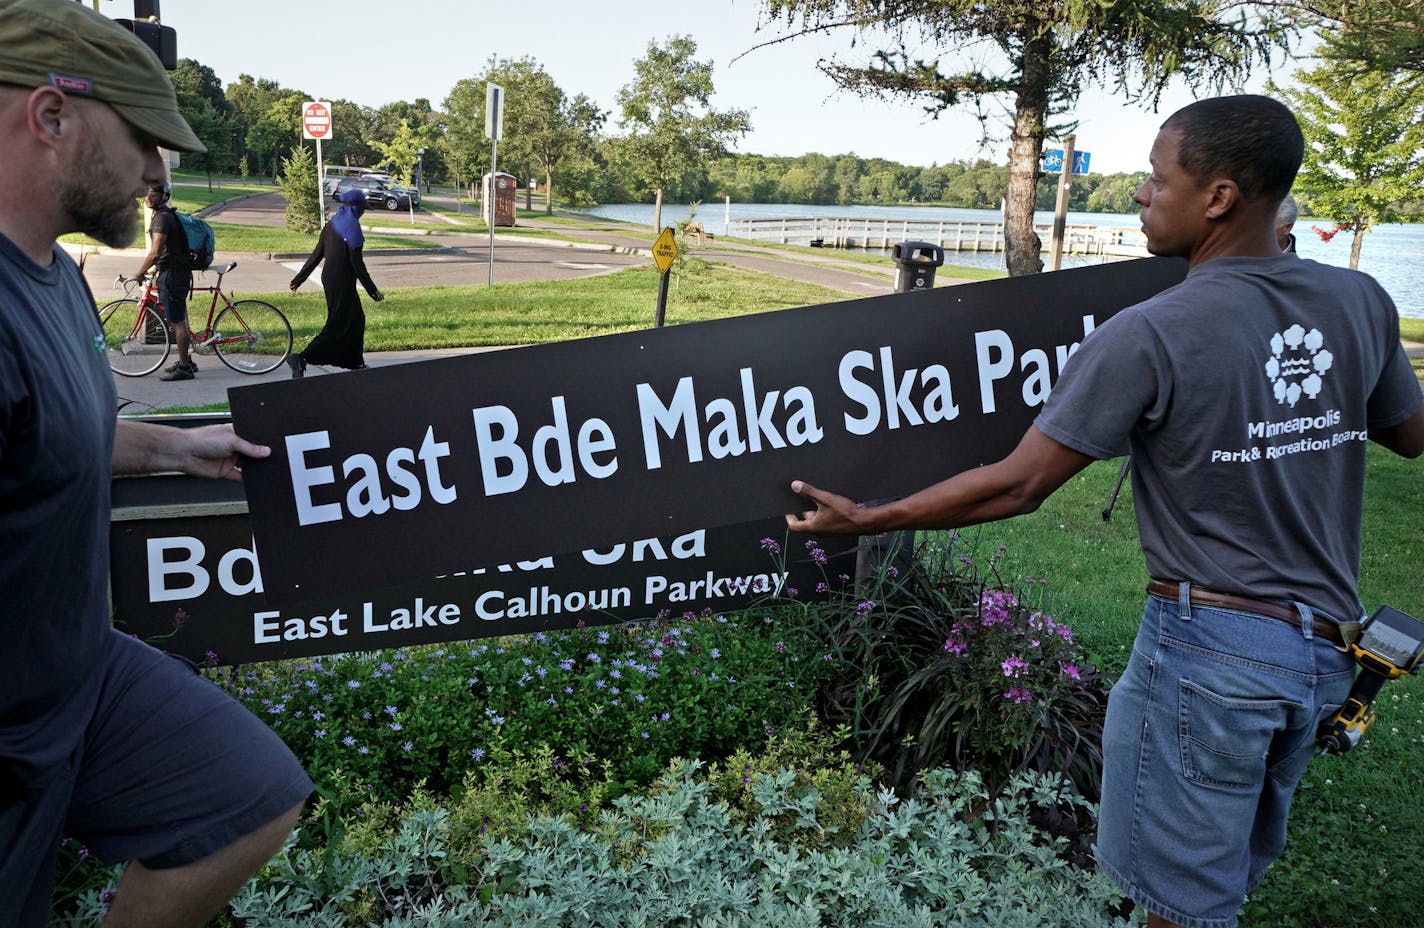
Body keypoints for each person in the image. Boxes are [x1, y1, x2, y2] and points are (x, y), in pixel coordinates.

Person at [786, 95, 1423, 928]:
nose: (1139, 197)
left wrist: (871, 517)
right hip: (1321, 659)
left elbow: (1020, 485)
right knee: (1218, 883)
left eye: (1157, 181)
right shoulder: (1362, 304)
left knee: (1179, 909)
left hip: (1211, 658)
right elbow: (1409, 437)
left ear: (1220, 197)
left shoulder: (1151, 332)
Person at [0, 2, 313, 925]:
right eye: (144, 139)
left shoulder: (53, 273)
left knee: (246, 797)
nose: (156, 172)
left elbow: (55, 434)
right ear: (51, 118)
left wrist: (179, 445)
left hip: (80, 676)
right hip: (12, 730)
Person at [286, 188, 384, 378]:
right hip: (342, 282)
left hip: (331, 278)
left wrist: (299, 279)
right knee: (336, 325)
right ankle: (301, 358)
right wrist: (373, 291)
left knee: (357, 320)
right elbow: (357, 265)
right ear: (355, 208)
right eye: (362, 208)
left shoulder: (332, 224)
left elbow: (316, 254)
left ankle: (355, 362)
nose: (363, 212)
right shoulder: (352, 229)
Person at [134, 181, 197, 380]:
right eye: (145, 193)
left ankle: (185, 369)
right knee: (177, 319)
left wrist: (140, 272)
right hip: (174, 272)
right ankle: (185, 360)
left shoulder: (161, 219)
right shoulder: (167, 216)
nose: (147, 197)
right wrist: (154, 270)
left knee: (176, 322)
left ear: (164, 196)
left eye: (152, 194)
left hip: (173, 275)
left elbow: (155, 252)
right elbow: (168, 251)